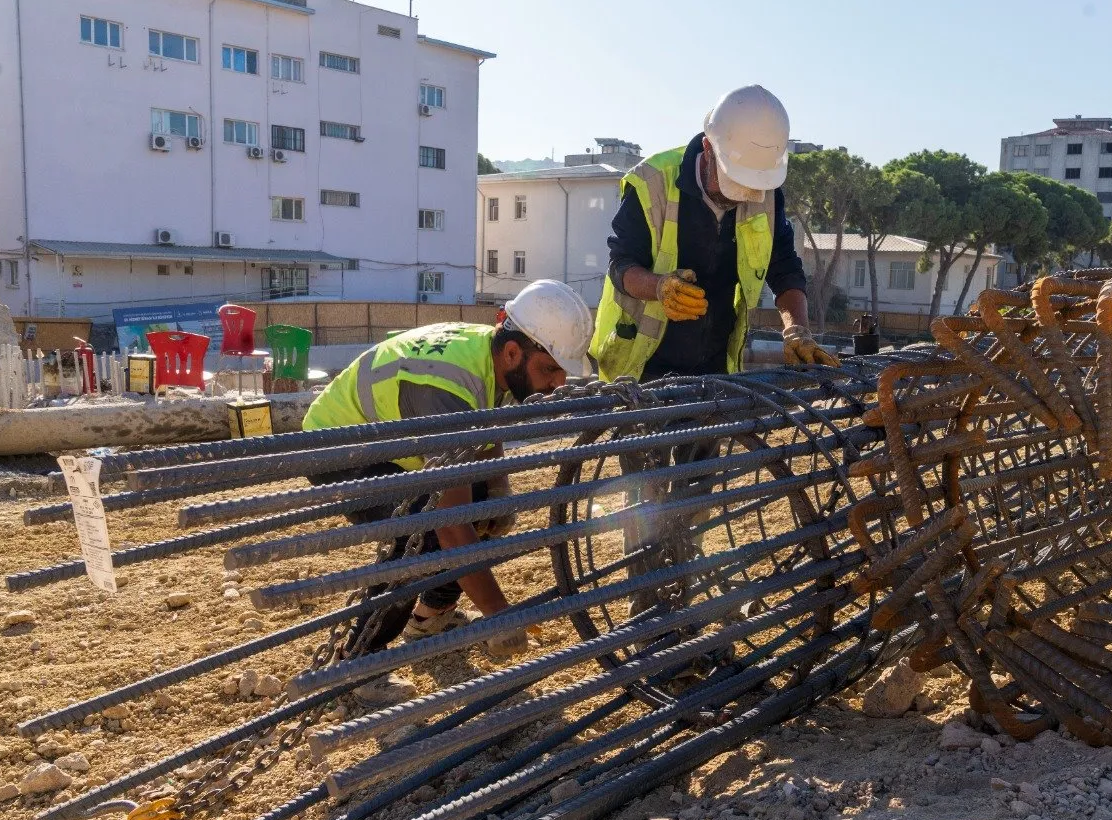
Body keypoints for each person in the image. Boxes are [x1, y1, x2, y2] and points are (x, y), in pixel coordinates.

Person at [301, 279, 593, 656]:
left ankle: (430, 616)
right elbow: (451, 523)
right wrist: (498, 613)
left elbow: (485, 432)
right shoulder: (446, 387)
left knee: (485, 507)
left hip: (392, 447)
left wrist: (497, 492)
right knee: (418, 535)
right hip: (339, 448)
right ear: (511, 353)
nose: (558, 383)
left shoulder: (495, 361)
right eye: (551, 369)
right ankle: (358, 659)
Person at [592, 84, 839, 381]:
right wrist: (660, 287)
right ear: (708, 150)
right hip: (641, 366)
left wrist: (797, 328)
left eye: (751, 189)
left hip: (716, 367)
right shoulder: (652, 183)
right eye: (734, 182)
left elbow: (784, 267)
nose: (741, 197)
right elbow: (621, 266)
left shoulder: (767, 192)